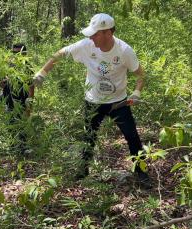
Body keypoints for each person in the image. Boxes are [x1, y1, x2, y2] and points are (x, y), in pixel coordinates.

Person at [33, 13, 151, 186]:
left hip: (118, 102)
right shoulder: (86, 45)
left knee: (132, 136)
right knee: (88, 136)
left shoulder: (124, 50)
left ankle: (141, 172)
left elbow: (140, 74)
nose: (91, 37)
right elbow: (60, 54)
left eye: (95, 34)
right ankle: (82, 170)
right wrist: (42, 73)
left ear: (108, 33)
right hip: (93, 101)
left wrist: (136, 93)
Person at [0, 43, 35, 151]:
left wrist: (29, 105)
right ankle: (13, 147)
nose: (16, 55)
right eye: (14, 52)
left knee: (21, 126)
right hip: (9, 100)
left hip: (22, 102)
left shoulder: (27, 67)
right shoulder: (6, 66)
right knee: (11, 125)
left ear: (24, 54)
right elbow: (0, 84)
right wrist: (2, 82)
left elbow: (31, 88)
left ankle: (22, 149)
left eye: (19, 53)